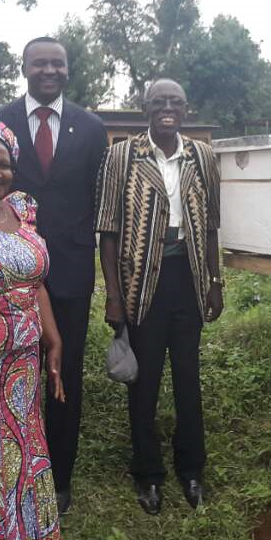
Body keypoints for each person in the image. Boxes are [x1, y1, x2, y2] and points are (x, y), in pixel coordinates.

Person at [0, 36, 108, 514]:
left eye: (58, 63)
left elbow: (99, 200)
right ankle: (2, 467)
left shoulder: (92, 128)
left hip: (71, 273)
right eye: (40, 63)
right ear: (24, 67)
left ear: (68, 69)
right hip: (8, 268)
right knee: (7, 369)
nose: (50, 71)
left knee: (63, 375)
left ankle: (58, 478)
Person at [95, 78, 223, 515]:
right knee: (143, 383)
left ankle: (192, 470)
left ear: (185, 109)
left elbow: (210, 225)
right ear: (144, 107)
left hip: (187, 277)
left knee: (188, 379)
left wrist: (214, 281)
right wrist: (113, 296)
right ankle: (148, 475)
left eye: (176, 102)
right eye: (159, 102)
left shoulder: (201, 155)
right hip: (140, 284)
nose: (168, 108)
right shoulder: (123, 155)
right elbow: (108, 230)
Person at [0, 121, 71, 540]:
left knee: (24, 450)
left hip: (22, 365)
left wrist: (53, 339)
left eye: (3, 164)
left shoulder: (22, 211)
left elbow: (35, 283)